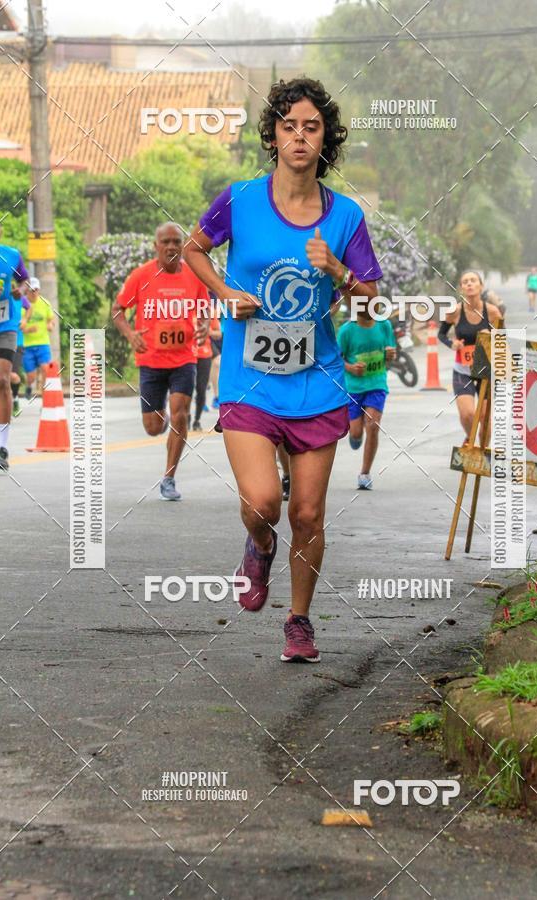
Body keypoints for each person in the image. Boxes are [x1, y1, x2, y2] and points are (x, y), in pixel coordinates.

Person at [184, 76, 382, 663]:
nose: (300, 136)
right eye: (289, 125)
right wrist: (223, 290)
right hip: (250, 381)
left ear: (327, 139)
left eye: (312, 127)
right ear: (272, 134)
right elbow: (193, 247)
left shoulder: (345, 217)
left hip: (318, 382)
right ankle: (259, 542)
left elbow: (370, 302)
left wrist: (341, 272)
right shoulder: (239, 200)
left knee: (309, 511)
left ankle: (298, 620)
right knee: (266, 502)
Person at [111, 222, 209, 500]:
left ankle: (169, 478)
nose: (171, 247)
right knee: (153, 427)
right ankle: (161, 417)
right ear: (156, 247)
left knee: (182, 413)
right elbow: (118, 310)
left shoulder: (195, 277)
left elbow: (203, 310)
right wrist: (130, 334)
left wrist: (202, 325)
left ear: (182, 245)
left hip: (184, 359)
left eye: (176, 241)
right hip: (151, 360)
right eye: (165, 242)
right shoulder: (141, 276)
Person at [337, 306, 396, 490]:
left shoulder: (384, 325)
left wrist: (390, 355)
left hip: (377, 384)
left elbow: (389, 357)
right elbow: (337, 359)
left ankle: (365, 473)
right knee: (355, 433)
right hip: (353, 387)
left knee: (373, 424)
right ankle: (356, 436)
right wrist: (351, 368)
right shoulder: (347, 330)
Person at [438, 271, 501, 442]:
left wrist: (490, 336)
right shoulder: (456, 311)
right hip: (462, 370)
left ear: (481, 286)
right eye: (465, 282)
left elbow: (504, 343)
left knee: (485, 422)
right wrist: (453, 344)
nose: (469, 284)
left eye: (473, 281)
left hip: (485, 371)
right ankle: (469, 437)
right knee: (468, 415)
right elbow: (441, 334)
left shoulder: (493, 312)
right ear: (461, 288)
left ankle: (481, 455)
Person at [0, 228, 29, 470]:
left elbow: (24, 280)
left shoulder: (11, 255)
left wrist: (22, 290)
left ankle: (2, 446)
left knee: (2, 380)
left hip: (5, 326)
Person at [22, 276, 54, 399]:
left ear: (39, 290)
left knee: (46, 369)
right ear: (27, 291)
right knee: (31, 376)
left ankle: (45, 399)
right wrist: (28, 329)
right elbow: (19, 326)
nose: (34, 292)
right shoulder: (22, 304)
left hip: (43, 343)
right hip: (27, 345)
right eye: (31, 290)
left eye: (36, 290)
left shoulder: (45, 303)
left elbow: (51, 319)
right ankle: (29, 386)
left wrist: (50, 325)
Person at [192, 314, 222, 431]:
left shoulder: (208, 311)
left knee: (201, 388)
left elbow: (218, 334)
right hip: (186, 354)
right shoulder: (182, 308)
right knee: (186, 388)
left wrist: (208, 331)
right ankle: (186, 417)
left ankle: (197, 420)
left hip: (204, 353)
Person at [10, 284, 31, 417]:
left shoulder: (19, 298)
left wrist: (24, 320)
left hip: (17, 343)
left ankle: (15, 399)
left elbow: (29, 308)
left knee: (13, 376)